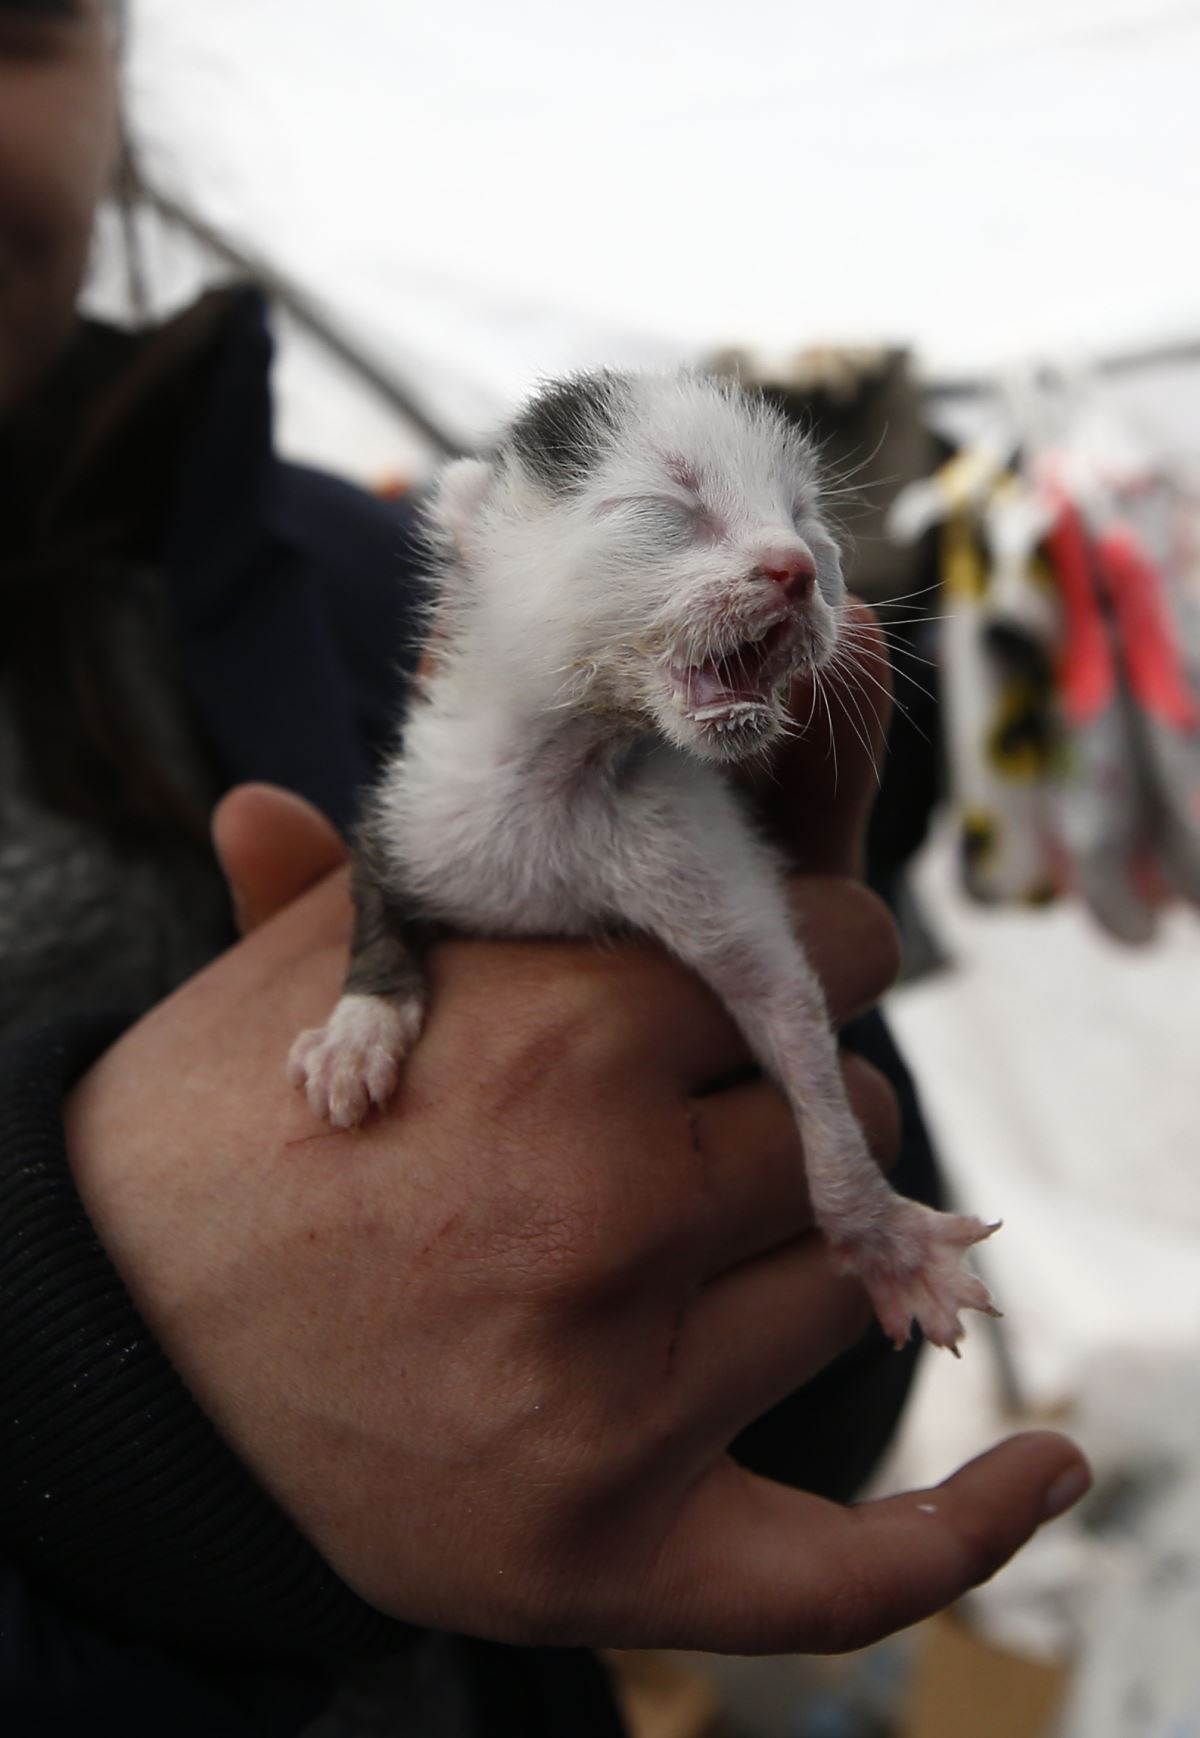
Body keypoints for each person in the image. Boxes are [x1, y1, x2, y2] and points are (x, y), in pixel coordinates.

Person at [0, 4, 1091, 1735]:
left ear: (116, 78)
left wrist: (717, 1293)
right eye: (677, 517)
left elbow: (807, 1257)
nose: (797, 566)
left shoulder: (352, 587)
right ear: (494, 528)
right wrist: (93, 1379)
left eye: (17, 29)